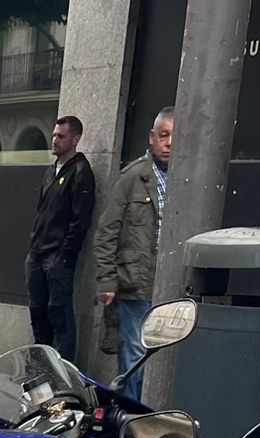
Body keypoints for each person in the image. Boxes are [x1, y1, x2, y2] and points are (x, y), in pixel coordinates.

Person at [96, 106, 173, 381]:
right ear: (152, 137)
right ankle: (130, 419)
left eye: (176, 136)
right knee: (135, 355)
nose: (169, 143)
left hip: (171, 286)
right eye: (164, 135)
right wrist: (106, 280)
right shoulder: (132, 177)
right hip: (136, 285)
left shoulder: (188, 179)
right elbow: (107, 230)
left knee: (164, 359)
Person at [26, 115, 96, 365]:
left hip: (57, 258)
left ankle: (63, 372)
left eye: (61, 136)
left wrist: (64, 256)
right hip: (37, 254)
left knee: (60, 315)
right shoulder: (51, 170)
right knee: (38, 312)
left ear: (75, 139)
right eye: (54, 135)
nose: (55, 140)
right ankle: (41, 368)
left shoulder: (80, 172)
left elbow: (80, 221)